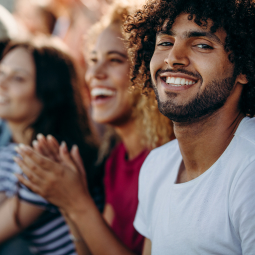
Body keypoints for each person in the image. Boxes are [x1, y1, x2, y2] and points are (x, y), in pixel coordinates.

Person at [14, 2, 173, 255]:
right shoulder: (115, 160)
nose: (94, 73)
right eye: (93, 60)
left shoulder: (168, 161)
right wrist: (66, 202)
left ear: (147, 70)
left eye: (114, 60)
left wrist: (77, 202)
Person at [123, 0, 255, 253]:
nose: (173, 58)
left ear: (245, 68)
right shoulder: (156, 166)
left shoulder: (250, 172)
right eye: (165, 43)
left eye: (202, 45)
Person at [0, 38, 98, 255]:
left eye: (17, 78)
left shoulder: (50, 155)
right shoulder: (10, 147)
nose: (2, 84)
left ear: (48, 93)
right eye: (1, 72)